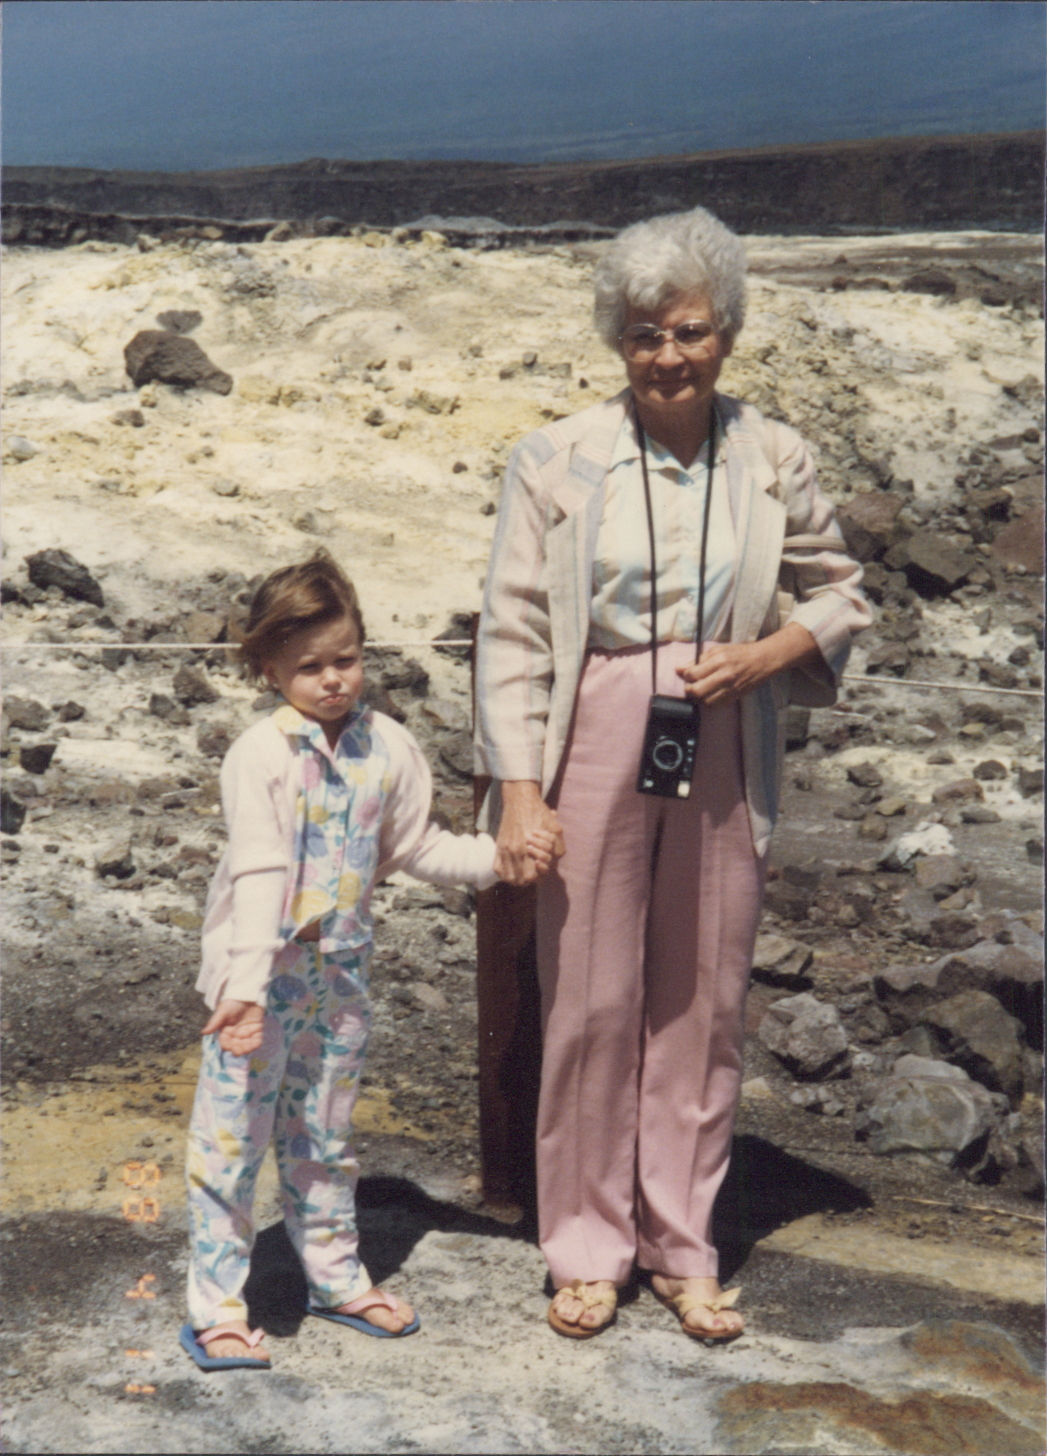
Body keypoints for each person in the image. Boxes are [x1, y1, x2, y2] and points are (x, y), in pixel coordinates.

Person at [475, 206, 871, 1342]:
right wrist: (519, 788)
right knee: (591, 991)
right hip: (597, 726)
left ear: (726, 333)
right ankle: (585, 1244)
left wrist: (771, 653)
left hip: (727, 724)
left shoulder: (772, 454)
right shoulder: (554, 457)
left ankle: (683, 1243)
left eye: (690, 330)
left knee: (705, 992)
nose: (668, 355)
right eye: (645, 334)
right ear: (618, 339)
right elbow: (509, 629)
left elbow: (842, 589)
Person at [181, 549, 554, 1369]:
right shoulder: (259, 755)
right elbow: (259, 872)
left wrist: (500, 858)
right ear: (269, 669)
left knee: (325, 1134)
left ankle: (336, 1278)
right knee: (231, 1144)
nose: (332, 680)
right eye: (309, 666)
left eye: (345, 659)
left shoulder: (387, 746)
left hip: (338, 977)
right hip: (255, 980)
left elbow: (417, 847)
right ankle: (217, 1308)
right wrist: (245, 990)